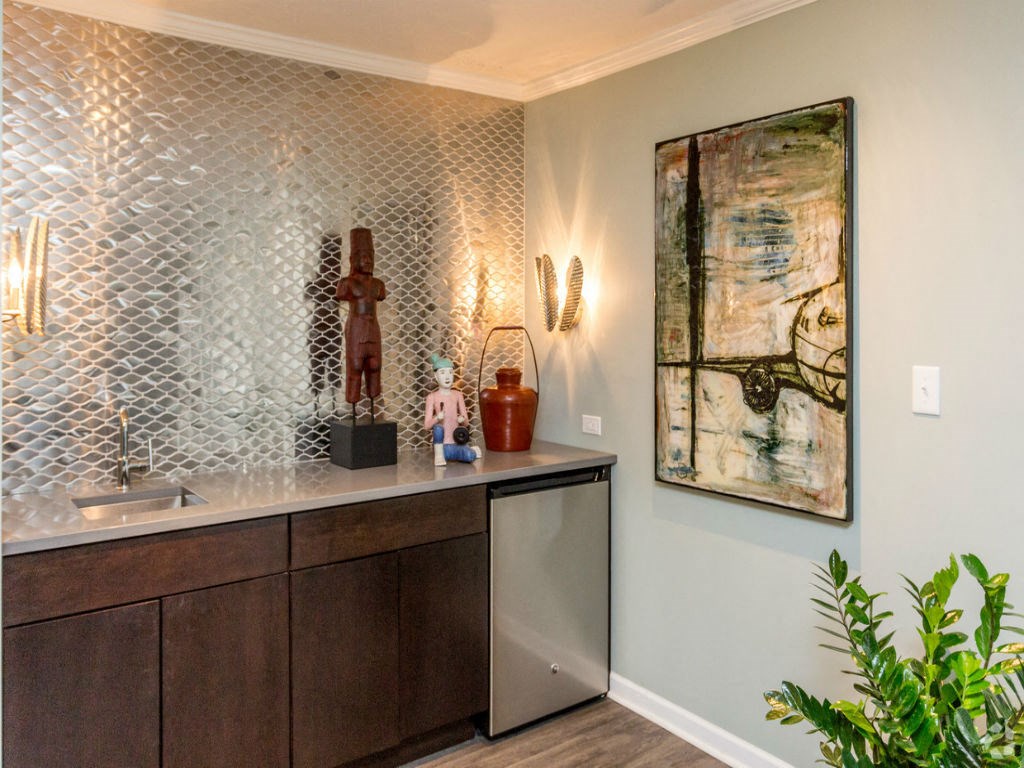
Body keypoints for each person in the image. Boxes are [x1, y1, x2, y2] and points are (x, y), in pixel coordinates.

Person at [335, 228, 386, 415]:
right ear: (353, 259)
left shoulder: (378, 285)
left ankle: (374, 398)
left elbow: (380, 296)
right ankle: (353, 399)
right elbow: (340, 295)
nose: (368, 260)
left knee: (375, 366)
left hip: (373, 329)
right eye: (363, 256)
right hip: (356, 329)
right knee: (355, 366)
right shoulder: (346, 284)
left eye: (371, 256)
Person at [424, 353, 481, 466]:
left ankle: (472, 450)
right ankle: (439, 455)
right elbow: (426, 426)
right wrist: (437, 418)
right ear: (436, 376)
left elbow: (466, 423)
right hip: (442, 444)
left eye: (450, 372)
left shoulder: (458, 395)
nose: (447, 377)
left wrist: (462, 419)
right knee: (438, 429)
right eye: (442, 373)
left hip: (457, 442)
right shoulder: (432, 397)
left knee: (470, 456)